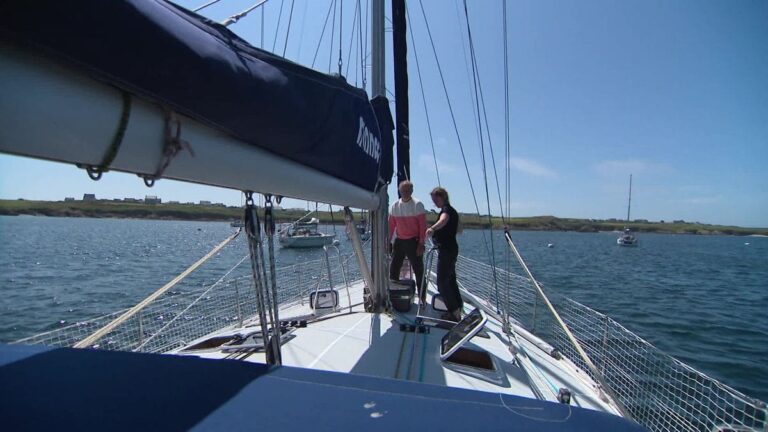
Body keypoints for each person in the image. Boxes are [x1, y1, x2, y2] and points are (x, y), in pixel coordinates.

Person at [426, 187, 462, 322]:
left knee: (442, 282)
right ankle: (458, 308)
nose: (434, 202)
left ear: (442, 197)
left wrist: (432, 229)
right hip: (451, 249)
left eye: (435, 199)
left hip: (447, 251)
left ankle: (454, 313)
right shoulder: (451, 210)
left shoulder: (446, 210)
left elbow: (443, 220)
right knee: (451, 280)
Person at [388, 180, 426, 301]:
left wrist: (421, 243)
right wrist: (387, 241)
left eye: (407, 190)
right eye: (403, 190)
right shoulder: (395, 206)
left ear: (411, 191)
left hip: (413, 241)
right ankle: (394, 295)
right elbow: (391, 226)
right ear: (399, 191)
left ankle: (422, 298)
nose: (405, 192)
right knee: (394, 268)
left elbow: (423, 226)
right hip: (399, 241)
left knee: (418, 270)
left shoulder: (417, 205)